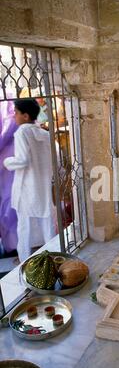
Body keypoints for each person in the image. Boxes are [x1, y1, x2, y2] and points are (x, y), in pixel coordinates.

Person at [3, 98, 56, 262]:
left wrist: (7, 162)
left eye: (16, 113)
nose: (14, 117)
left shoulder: (22, 132)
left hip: (27, 188)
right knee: (47, 224)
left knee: (24, 228)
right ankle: (53, 258)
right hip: (43, 186)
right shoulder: (44, 134)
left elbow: (23, 160)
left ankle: (25, 261)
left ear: (25, 116)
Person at [0, 96, 18, 257]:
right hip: (7, 159)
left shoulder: (8, 104)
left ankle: (12, 245)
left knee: (9, 203)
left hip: (8, 159)